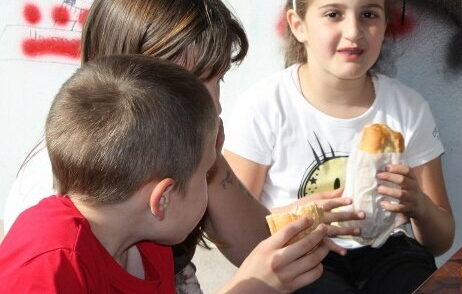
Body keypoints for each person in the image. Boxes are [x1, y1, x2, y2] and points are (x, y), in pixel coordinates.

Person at [3, 0, 346, 292]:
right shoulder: (56, 215)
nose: (215, 105)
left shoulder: (174, 143)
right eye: (192, 85)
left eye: (218, 79)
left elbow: (256, 242)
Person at [224, 0, 455, 293]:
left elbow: (440, 239)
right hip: (303, 254)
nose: (354, 32)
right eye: (333, 14)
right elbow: (234, 230)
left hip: (390, 252)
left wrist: (418, 205)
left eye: (369, 14)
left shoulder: (407, 108)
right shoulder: (265, 106)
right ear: (298, 24)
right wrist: (298, 214)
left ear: (385, 22)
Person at [0, 55, 330, 292]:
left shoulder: (149, 242)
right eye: (205, 174)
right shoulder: (46, 266)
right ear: (163, 199)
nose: (209, 184)